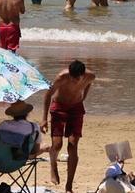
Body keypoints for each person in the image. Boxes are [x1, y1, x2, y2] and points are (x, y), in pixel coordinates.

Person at [42, 61, 95, 193]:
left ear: (82, 75)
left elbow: (89, 83)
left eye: (76, 78)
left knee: (72, 145)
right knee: (57, 145)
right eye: (72, 77)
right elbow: (48, 94)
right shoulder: (62, 77)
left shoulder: (90, 76)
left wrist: (84, 96)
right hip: (59, 106)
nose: (73, 80)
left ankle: (69, 185)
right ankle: (53, 165)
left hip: (76, 108)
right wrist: (44, 119)